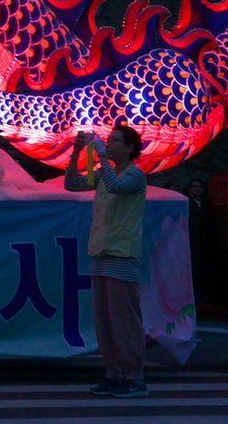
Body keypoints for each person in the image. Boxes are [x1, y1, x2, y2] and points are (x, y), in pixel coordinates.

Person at [65, 124, 150, 399]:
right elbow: (73, 184)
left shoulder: (136, 175)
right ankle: (113, 374)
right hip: (102, 251)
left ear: (129, 147)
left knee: (125, 319)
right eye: (108, 140)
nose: (109, 144)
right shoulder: (104, 173)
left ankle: (135, 377)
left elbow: (116, 187)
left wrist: (100, 155)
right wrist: (78, 151)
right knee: (105, 320)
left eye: (115, 141)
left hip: (123, 253)